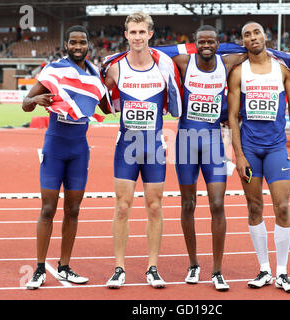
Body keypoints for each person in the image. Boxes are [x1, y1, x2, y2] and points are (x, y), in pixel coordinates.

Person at [22, 25, 111, 289]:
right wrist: (36, 100)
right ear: (66, 45)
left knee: (73, 210)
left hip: (79, 150)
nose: (77, 47)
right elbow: (26, 102)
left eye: (82, 42)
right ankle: (39, 269)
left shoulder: (96, 75)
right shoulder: (54, 70)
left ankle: (64, 266)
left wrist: (117, 82)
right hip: (55, 146)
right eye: (72, 43)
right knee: (48, 209)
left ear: (88, 45)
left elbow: (107, 106)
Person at [102, 12, 181, 289]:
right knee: (122, 207)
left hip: (154, 148)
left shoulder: (164, 66)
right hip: (126, 147)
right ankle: (119, 268)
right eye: (132, 32)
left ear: (150, 34)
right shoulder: (115, 68)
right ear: (126, 35)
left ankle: (152, 268)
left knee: (155, 207)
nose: (137, 37)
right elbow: (99, 96)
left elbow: (176, 101)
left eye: (141, 32)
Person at [169, 25, 248, 291]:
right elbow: (154, 53)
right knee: (188, 204)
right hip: (186, 143)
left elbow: (252, 50)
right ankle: (193, 264)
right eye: (201, 41)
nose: (206, 45)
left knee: (217, 204)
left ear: (218, 43)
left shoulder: (226, 63)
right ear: (194, 43)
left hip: (214, 142)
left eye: (211, 41)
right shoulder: (183, 61)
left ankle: (217, 270)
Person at [227, 21, 290, 293]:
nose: (252, 37)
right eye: (246, 35)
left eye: (256, 32)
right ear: (243, 42)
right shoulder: (238, 73)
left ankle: (282, 272)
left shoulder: (282, 70)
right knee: (254, 207)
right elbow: (233, 117)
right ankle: (264, 269)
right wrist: (238, 155)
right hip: (249, 149)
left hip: (276, 147)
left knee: (282, 206)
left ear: (265, 35)